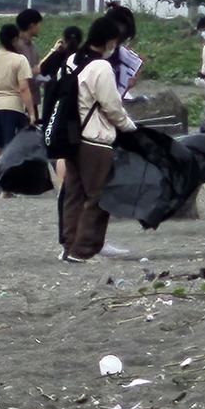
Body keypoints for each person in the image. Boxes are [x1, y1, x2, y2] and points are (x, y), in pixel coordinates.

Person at [57, 16, 137, 261]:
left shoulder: (71, 61)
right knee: (98, 196)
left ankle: (69, 245)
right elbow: (112, 107)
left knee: (74, 193)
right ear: (110, 41)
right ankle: (83, 249)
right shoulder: (101, 67)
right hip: (95, 139)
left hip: (71, 137)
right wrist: (131, 128)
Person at [0, 23, 35, 199]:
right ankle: (6, 189)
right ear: (14, 40)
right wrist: (32, 112)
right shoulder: (19, 60)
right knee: (10, 149)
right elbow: (24, 89)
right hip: (12, 107)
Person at [103, 3, 143, 95]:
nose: (120, 43)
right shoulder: (95, 57)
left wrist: (126, 83)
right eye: (120, 39)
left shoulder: (117, 52)